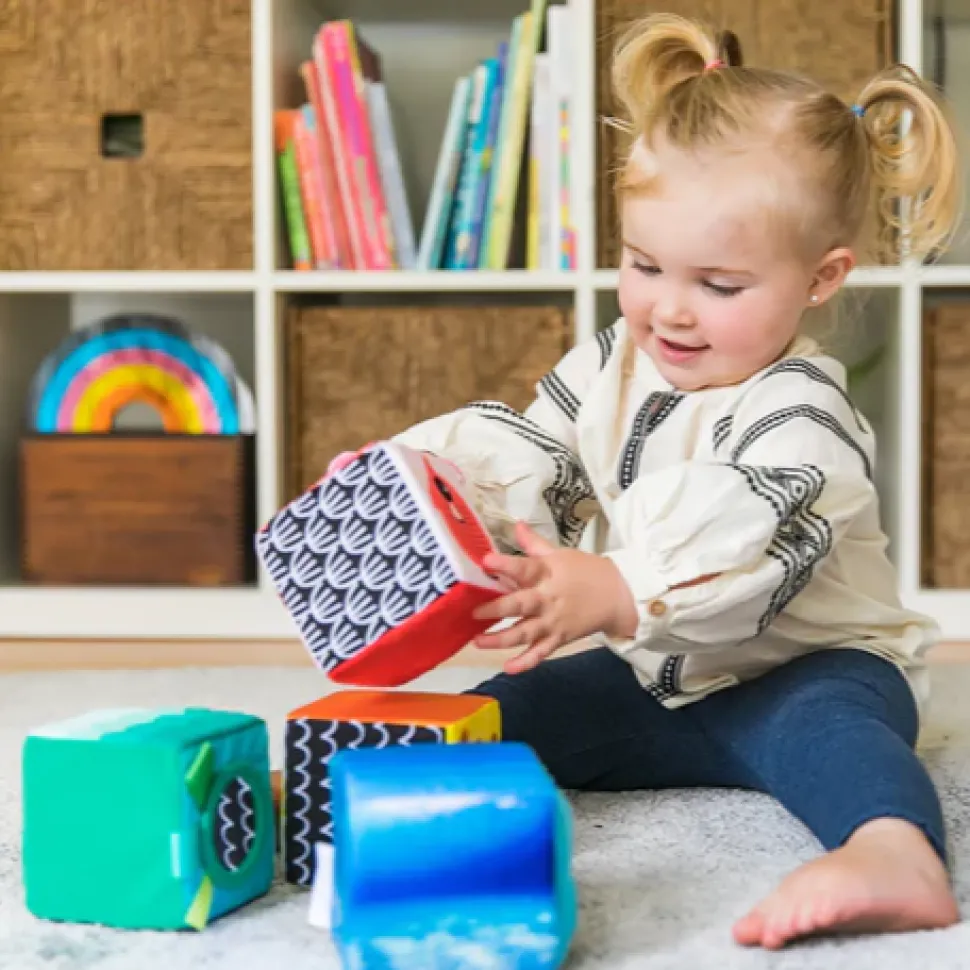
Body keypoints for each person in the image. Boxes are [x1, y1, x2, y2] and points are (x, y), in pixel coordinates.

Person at [332, 13, 963, 949]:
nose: (669, 308)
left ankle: (893, 853)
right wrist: (431, 484)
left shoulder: (803, 414)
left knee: (837, 734)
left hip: (802, 672)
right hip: (658, 678)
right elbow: (539, 446)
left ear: (820, 278)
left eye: (719, 284)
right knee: (502, 711)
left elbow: (750, 534)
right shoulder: (618, 362)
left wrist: (623, 585)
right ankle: (354, 791)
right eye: (643, 265)